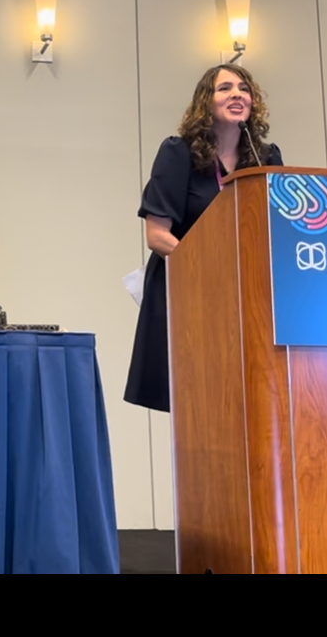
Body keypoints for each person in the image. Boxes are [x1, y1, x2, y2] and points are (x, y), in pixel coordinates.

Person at [125, 63, 284, 411]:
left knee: (246, 399)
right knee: (198, 401)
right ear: (205, 102)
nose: (237, 94)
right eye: (225, 88)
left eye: (244, 88)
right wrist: (207, 267)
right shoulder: (178, 152)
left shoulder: (264, 157)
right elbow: (157, 235)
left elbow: (277, 229)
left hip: (245, 295)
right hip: (189, 289)